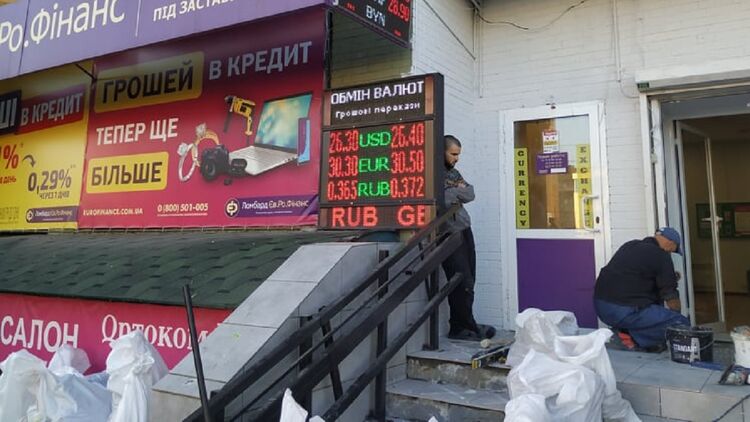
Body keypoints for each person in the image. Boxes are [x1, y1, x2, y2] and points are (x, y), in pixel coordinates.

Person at [594, 227, 690, 351]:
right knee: (679, 322)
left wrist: (670, 276)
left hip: (601, 307)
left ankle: (624, 334)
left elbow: (633, 275)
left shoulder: (630, 246)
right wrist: (676, 315)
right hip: (624, 311)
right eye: (674, 249)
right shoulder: (661, 255)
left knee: (654, 304)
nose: (671, 252)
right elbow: (670, 294)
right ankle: (630, 340)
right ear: (670, 243)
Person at [442, 135, 494, 341]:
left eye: (458, 155)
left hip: (464, 228)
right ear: (442, 151)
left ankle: (468, 323)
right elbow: (442, 199)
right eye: (453, 154)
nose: (456, 159)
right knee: (460, 279)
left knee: (470, 278)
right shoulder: (432, 173)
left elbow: (470, 193)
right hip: (448, 233)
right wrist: (456, 191)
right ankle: (460, 328)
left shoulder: (453, 172)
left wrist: (452, 191)